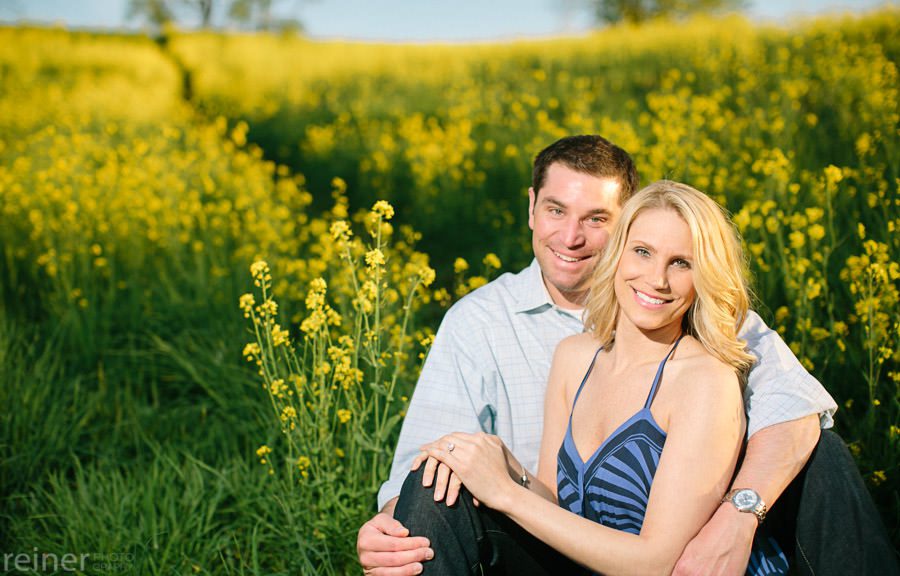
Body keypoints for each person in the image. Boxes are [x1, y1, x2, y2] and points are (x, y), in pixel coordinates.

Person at [356, 135, 840, 575]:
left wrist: (740, 515)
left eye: (596, 219)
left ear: (621, 225)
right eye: (556, 210)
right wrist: (405, 520)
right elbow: (539, 493)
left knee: (827, 453)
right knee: (432, 478)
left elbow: (800, 409)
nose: (571, 237)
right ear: (532, 207)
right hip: (561, 552)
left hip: (666, 566)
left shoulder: (714, 344)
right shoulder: (553, 348)